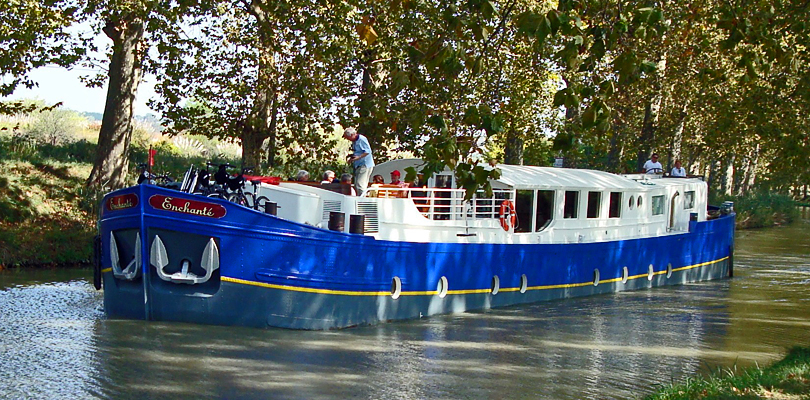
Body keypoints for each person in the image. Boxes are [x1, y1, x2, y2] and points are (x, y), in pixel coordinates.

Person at [343, 127, 374, 196]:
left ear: (352, 135)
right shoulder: (355, 141)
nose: (348, 139)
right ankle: (360, 199)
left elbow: (368, 151)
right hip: (359, 165)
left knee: (360, 185)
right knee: (357, 184)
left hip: (365, 164)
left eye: (348, 137)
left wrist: (358, 157)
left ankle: (362, 201)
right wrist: (352, 158)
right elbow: (358, 152)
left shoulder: (362, 139)